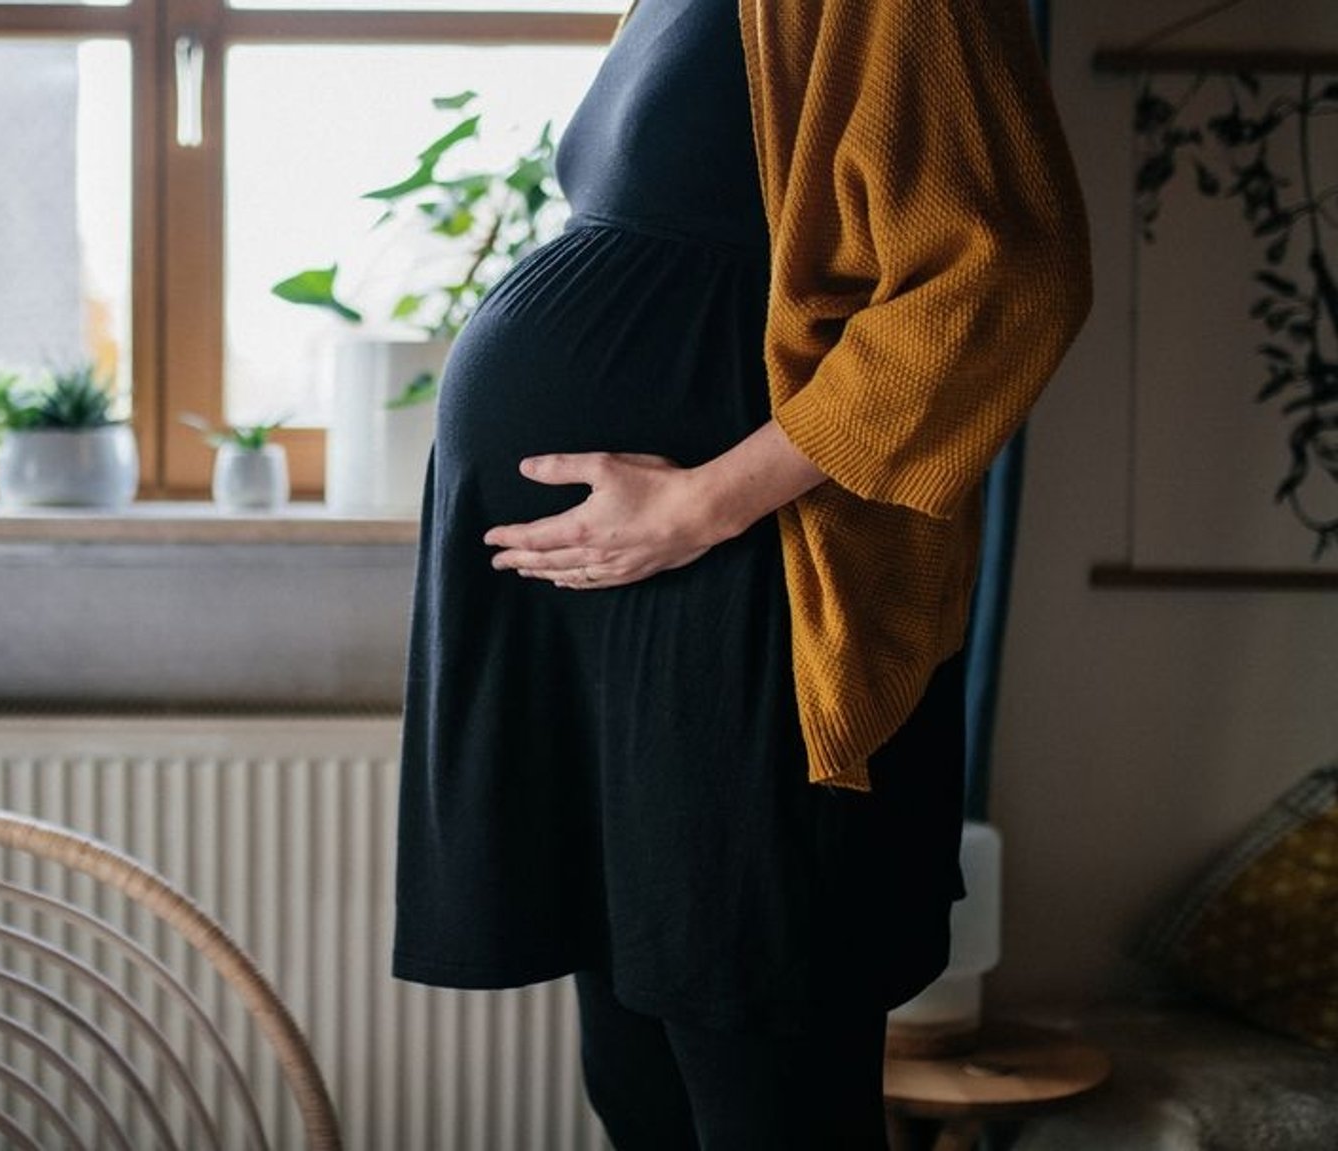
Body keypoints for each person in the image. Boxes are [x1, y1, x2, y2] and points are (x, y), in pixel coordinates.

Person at [390, 0, 1091, 1146]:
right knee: (640, 1080)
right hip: (614, 618)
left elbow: (1007, 278)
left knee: (764, 1085)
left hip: (750, 592)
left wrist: (699, 505)